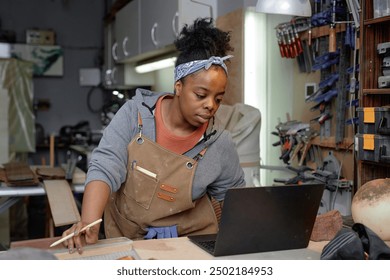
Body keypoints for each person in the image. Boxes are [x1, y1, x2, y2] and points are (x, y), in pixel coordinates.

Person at [62, 17, 245, 254]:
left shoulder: (219, 144)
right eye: (201, 95)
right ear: (178, 86)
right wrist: (88, 222)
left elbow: (234, 201)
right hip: (129, 243)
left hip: (191, 248)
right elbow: (105, 167)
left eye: (218, 99)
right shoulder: (135, 116)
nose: (211, 105)